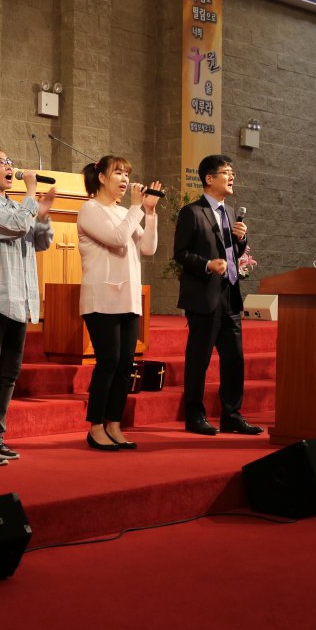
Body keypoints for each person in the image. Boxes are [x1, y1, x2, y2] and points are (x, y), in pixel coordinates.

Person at [0, 147, 55, 465]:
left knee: (9, 373)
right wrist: (31, 193)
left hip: (19, 299)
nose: (9, 166)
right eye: (2, 162)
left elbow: (41, 242)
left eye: (10, 162)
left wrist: (42, 217)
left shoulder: (16, 206)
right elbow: (17, 226)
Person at [173, 155, 262, 436]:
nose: (232, 177)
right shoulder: (192, 212)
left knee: (235, 359)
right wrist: (207, 264)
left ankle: (232, 415)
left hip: (230, 295)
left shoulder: (231, 212)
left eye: (233, 172)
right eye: (226, 172)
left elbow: (233, 253)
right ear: (209, 179)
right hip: (204, 296)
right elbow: (180, 253)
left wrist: (241, 239)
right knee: (198, 360)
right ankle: (194, 416)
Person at [76, 156, 159, 450]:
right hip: (101, 299)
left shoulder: (125, 212)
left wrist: (150, 213)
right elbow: (117, 239)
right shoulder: (90, 209)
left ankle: (114, 423)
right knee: (108, 361)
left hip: (129, 298)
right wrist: (136, 208)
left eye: (127, 174)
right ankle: (96, 426)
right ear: (101, 177)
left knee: (125, 365)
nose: (125, 179)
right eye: (118, 173)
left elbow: (148, 248)